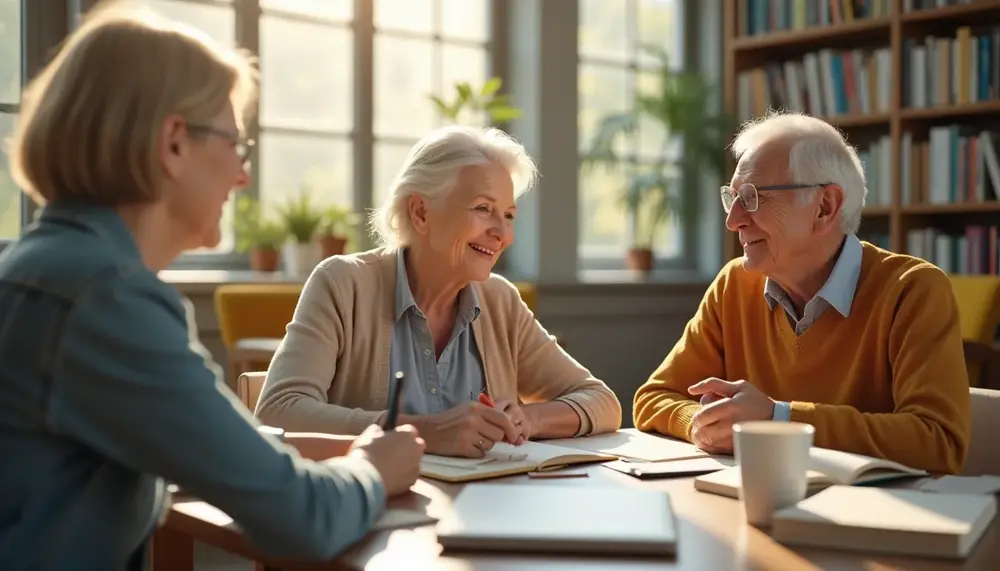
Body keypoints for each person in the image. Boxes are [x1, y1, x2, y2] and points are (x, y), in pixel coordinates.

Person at [0, 3, 424, 570]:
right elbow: (302, 518)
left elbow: (195, 440)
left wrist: (344, 448)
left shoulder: (42, 268)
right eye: (235, 145)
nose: (243, 175)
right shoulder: (106, 300)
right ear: (174, 143)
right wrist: (372, 472)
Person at [633, 110, 970, 474]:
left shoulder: (913, 290)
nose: (733, 220)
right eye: (733, 198)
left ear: (824, 208)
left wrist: (777, 419)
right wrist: (704, 424)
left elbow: (939, 441)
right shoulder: (734, 285)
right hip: (753, 497)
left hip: (875, 507)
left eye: (752, 197)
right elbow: (653, 398)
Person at [255, 125, 622, 458]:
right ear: (420, 213)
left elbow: (601, 401)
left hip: (487, 505)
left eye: (508, 215)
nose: (503, 234)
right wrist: (422, 432)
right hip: (379, 504)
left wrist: (530, 418)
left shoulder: (500, 301)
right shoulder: (342, 284)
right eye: (483, 209)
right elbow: (278, 411)